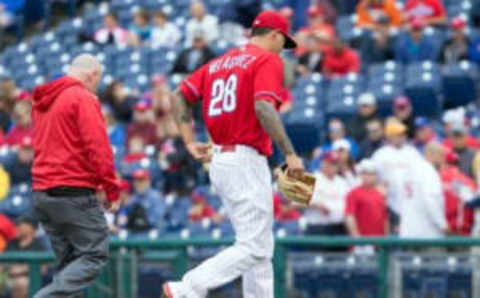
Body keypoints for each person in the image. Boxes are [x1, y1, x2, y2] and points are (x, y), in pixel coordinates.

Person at [163, 10, 303, 298]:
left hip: (222, 158)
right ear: (275, 35)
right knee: (255, 247)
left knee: (258, 247)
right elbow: (264, 107)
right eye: (282, 42)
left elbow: (178, 95)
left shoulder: (220, 62)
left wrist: (189, 141)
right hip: (244, 159)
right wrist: (289, 153)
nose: (282, 50)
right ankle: (186, 289)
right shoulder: (267, 59)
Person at [31, 54, 121, 298]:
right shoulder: (81, 96)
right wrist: (112, 189)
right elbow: (99, 147)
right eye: (97, 81)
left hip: (43, 193)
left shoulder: (43, 100)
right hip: (73, 192)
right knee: (94, 255)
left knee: (69, 268)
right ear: (92, 75)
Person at [372, 118, 423, 231]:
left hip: (411, 204)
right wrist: (379, 187)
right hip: (388, 204)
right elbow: (372, 177)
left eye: (403, 134)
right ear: (389, 136)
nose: (402, 136)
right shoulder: (380, 155)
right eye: (398, 134)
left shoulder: (412, 152)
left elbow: (421, 175)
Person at [399, 142, 448, 238]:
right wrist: (443, 225)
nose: (443, 159)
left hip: (408, 231)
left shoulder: (412, 169)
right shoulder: (429, 171)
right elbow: (431, 201)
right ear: (430, 155)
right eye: (441, 155)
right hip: (427, 232)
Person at [304, 152, 350, 236]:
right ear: (323, 163)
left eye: (335, 164)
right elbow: (294, 202)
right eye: (331, 163)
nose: (333, 166)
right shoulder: (311, 178)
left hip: (339, 227)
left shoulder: (342, 181)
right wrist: (316, 205)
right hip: (318, 228)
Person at [345, 159, 388, 237]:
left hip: (379, 240)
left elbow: (384, 218)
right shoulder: (353, 193)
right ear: (360, 175)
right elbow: (349, 216)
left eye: (371, 174)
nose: (368, 176)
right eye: (365, 173)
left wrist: (387, 237)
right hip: (362, 240)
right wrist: (356, 237)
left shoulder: (380, 194)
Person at [7, 217, 48, 298]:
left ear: (31, 228)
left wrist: (20, 269)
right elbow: (3, 265)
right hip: (10, 278)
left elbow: (43, 270)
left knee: (21, 284)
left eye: (20, 225)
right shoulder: (12, 243)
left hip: (32, 279)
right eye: (16, 225)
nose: (17, 227)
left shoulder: (39, 244)